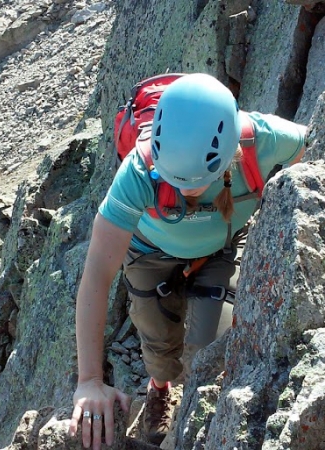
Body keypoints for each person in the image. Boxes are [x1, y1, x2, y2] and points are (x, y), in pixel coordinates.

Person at [67, 73, 307, 449]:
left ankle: (191, 405)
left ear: (230, 150)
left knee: (209, 353)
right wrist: (89, 380)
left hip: (223, 248)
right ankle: (160, 385)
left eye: (197, 180)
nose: (185, 190)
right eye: (174, 180)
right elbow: (97, 273)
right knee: (159, 346)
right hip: (149, 251)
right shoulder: (138, 171)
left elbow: (317, 153)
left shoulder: (264, 139)